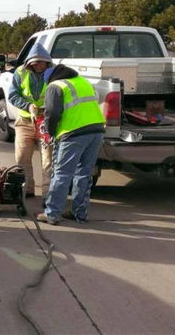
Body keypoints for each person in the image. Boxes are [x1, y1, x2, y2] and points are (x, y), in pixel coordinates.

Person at [36, 64, 105, 225]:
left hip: (74, 133)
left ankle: (52, 213)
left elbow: (52, 113)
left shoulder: (55, 86)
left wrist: (50, 132)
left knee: (62, 173)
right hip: (96, 131)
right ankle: (79, 213)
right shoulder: (82, 81)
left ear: (50, 79)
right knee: (84, 173)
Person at [8, 43, 53, 200]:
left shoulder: (53, 74)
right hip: (25, 122)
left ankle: (49, 194)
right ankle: (27, 189)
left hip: (45, 123)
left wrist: (46, 110)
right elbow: (12, 95)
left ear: (47, 61)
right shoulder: (20, 72)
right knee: (22, 158)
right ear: (30, 62)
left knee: (48, 161)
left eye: (41, 62)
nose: (38, 65)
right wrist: (28, 106)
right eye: (35, 62)